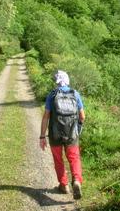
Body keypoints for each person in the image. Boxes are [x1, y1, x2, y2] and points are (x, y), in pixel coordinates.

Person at [39, 70, 85, 200]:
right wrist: (78, 129)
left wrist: (42, 136)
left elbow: (46, 117)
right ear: (67, 80)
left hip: (55, 134)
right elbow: (82, 116)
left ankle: (64, 185)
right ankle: (76, 180)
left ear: (57, 82)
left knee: (58, 160)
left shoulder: (52, 95)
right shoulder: (75, 94)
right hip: (72, 134)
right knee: (74, 158)